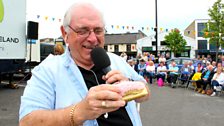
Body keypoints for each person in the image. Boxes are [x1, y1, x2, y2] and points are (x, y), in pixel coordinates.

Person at [19, 3, 150, 126]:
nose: (93, 39)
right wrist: (79, 112)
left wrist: (130, 86)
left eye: (98, 30)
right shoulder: (47, 71)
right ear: (65, 34)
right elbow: (27, 121)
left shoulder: (117, 60)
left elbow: (145, 90)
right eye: (82, 31)